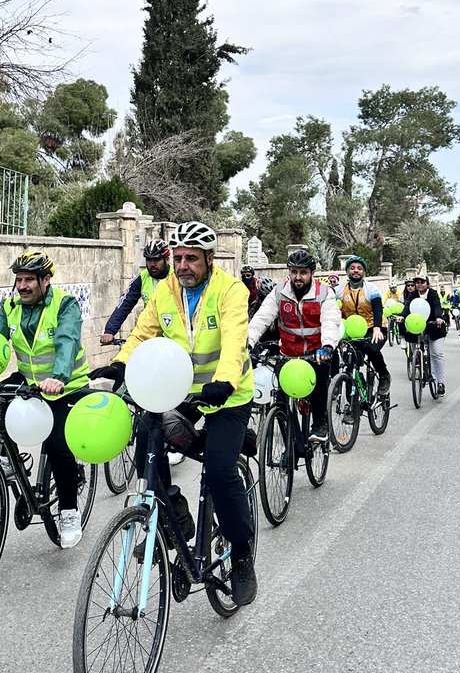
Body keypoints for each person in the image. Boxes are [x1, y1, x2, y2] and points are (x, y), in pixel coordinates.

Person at [105, 222, 258, 606]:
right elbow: (142, 333)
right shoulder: (165, 292)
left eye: (191, 258)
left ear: (209, 259)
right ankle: (175, 510)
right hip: (179, 395)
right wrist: (122, 363)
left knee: (221, 473)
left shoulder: (231, 290)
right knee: (145, 448)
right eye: (178, 258)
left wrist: (223, 381)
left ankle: (241, 555)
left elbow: (236, 340)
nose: (183, 265)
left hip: (229, 396)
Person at [0, 249, 90, 549]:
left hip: (65, 384)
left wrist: (59, 376)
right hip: (30, 379)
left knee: (58, 445)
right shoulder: (11, 306)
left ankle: (69, 511)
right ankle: (9, 458)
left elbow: (67, 341)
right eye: (18, 280)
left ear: (45, 280)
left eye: (28, 280)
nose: (22, 286)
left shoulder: (65, 305)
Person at [248, 248, 342, 443]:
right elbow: (261, 319)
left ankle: (320, 425)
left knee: (319, 385)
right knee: (281, 401)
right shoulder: (279, 292)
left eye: (303, 272)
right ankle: (291, 445)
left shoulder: (325, 293)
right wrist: (247, 343)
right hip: (288, 353)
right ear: (289, 272)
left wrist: (327, 346)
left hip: (316, 353)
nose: (298, 277)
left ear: (312, 274)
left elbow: (330, 321)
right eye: (294, 272)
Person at [335, 255, 391, 401]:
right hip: (352, 330)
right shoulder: (340, 290)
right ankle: (354, 401)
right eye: (352, 268)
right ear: (347, 271)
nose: (356, 271)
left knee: (371, 349)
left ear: (364, 272)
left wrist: (377, 328)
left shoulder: (371, 289)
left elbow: (378, 308)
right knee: (350, 361)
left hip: (374, 327)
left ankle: (384, 375)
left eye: (359, 268)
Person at [100, 241, 170, 345]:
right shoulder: (142, 278)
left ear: (166, 259)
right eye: (149, 260)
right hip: (149, 334)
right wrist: (110, 330)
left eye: (156, 259)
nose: (152, 264)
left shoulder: (175, 278)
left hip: (171, 334)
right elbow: (125, 303)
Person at [401, 273, 448, 395]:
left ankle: (440, 382)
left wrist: (438, 317)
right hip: (417, 327)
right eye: (417, 282)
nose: (419, 284)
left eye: (422, 282)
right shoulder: (413, 295)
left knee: (436, 353)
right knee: (414, 350)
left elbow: (437, 306)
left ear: (427, 283)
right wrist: (401, 316)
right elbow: (407, 308)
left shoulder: (432, 294)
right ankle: (420, 367)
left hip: (434, 327)